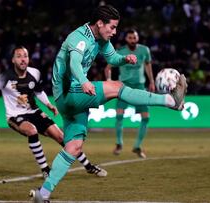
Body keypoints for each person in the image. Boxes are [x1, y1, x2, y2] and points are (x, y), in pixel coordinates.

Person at [30, 5, 187, 202]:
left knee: (74, 146)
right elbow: (74, 64)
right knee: (117, 86)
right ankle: (171, 100)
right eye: (112, 27)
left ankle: (43, 193)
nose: (114, 32)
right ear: (99, 24)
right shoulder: (79, 37)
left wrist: (124, 59)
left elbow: (112, 57)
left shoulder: (101, 39)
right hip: (69, 91)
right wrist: (85, 81)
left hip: (69, 102)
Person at [0, 46, 107, 179]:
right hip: (15, 116)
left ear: (28, 58)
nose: (23, 59)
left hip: (34, 112)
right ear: (13, 60)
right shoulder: (4, 77)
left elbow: (38, 91)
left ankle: (89, 166)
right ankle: (45, 170)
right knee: (32, 131)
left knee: (63, 138)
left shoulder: (35, 73)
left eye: (25, 56)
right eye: (19, 56)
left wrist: (48, 104)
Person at [104, 29, 155, 158]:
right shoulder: (121, 52)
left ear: (137, 38)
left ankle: (137, 146)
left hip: (139, 87)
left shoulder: (144, 50)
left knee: (146, 117)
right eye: (130, 38)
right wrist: (109, 80)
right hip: (124, 87)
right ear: (126, 39)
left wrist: (152, 81)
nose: (132, 40)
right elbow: (108, 68)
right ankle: (119, 143)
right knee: (119, 116)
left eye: (134, 37)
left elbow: (148, 65)